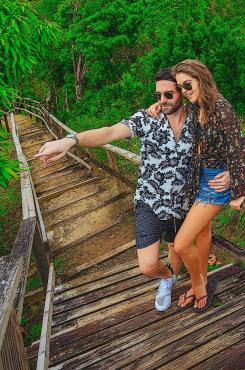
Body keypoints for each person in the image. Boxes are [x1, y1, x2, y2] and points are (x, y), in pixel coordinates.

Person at [33, 68, 230, 312]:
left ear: (182, 92)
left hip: (183, 202)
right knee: (148, 265)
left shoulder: (197, 119)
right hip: (150, 200)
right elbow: (110, 132)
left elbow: (222, 144)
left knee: (174, 247)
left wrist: (230, 172)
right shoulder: (147, 119)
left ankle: (177, 277)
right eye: (157, 95)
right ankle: (166, 278)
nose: (162, 101)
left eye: (168, 95)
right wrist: (70, 141)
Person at [150, 59, 245, 312]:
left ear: (201, 78)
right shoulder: (199, 107)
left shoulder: (221, 108)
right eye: (180, 87)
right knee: (201, 233)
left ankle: (199, 286)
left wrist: (238, 182)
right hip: (200, 180)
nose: (185, 91)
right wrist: (157, 104)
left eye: (188, 85)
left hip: (215, 185)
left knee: (181, 243)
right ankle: (204, 280)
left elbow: (239, 146)